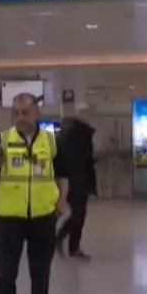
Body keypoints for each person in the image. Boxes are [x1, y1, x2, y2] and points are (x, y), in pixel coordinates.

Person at [0, 94, 69, 294]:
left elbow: (62, 175)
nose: (20, 118)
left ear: (37, 113)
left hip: (43, 217)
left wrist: (61, 202)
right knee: (6, 276)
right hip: (11, 219)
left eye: (25, 112)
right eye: (16, 113)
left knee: (41, 276)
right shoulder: (2, 140)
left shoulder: (51, 142)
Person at [55, 105, 98, 260]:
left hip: (74, 179)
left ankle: (73, 246)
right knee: (77, 214)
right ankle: (61, 239)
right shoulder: (77, 133)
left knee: (78, 214)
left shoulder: (70, 132)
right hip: (76, 180)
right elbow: (80, 159)